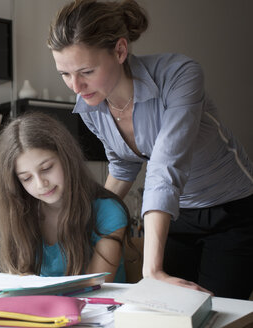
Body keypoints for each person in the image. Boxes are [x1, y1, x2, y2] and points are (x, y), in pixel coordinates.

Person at [48, 0, 253, 299]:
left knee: (217, 310)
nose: (76, 86)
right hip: (175, 214)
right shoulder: (92, 106)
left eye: (86, 71)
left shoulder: (180, 75)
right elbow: (122, 166)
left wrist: (151, 271)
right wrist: (84, 222)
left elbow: (165, 164)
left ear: (120, 51)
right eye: (64, 74)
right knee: (169, 307)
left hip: (229, 212)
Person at [0, 111, 136, 282]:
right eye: (27, 178)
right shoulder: (23, 212)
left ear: (66, 157)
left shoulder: (109, 211)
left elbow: (95, 286)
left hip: (95, 305)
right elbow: (21, 281)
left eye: (47, 168)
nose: (40, 184)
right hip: (45, 307)